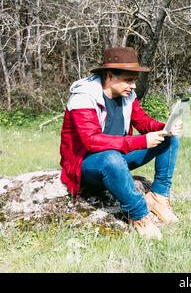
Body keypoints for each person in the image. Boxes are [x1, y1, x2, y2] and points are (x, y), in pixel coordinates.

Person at [59, 47, 182, 240]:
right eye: (128, 80)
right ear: (109, 75)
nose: (133, 86)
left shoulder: (127, 95)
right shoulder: (83, 97)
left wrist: (164, 128)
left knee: (169, 138)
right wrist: (142, 141)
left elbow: (141, 121)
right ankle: (139, 214)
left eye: (134, 80)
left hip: (118, 157)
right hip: (87, 164)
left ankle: (158, 197)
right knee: (112, 158)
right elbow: (91, 141)